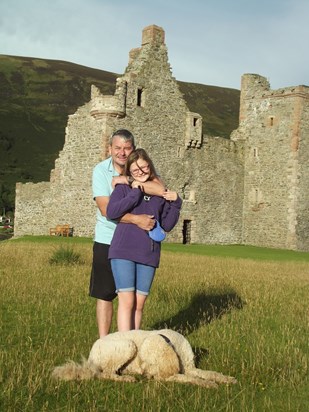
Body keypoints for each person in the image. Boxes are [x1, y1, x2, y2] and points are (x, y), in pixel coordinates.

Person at [89, 130, 165, 337]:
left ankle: (129, 343)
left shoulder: (141, 170)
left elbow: (161, 189)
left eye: (127, 148)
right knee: (105, 294)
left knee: (133, 299)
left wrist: (130, 182)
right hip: (107, 238)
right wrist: (136, 219)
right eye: (118, 148)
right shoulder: (100, 171)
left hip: (136, 242)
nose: (122, 153)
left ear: (133, 149)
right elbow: (106, 210)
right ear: (109, 149)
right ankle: (104, 344)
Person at [106, 148, 182, 332]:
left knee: (139, 304)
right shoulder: (122, 188)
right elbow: (111, 212)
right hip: (123, 251)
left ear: (150, 166)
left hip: (149, 252)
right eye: (136, 170)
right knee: (127, 301)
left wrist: (176, 203)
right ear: (129, 172)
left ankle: (136, 342)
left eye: (144, 167)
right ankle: (126, 346)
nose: (141, 172)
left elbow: (167, 225)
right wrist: (135, 193)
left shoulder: (159, 193)